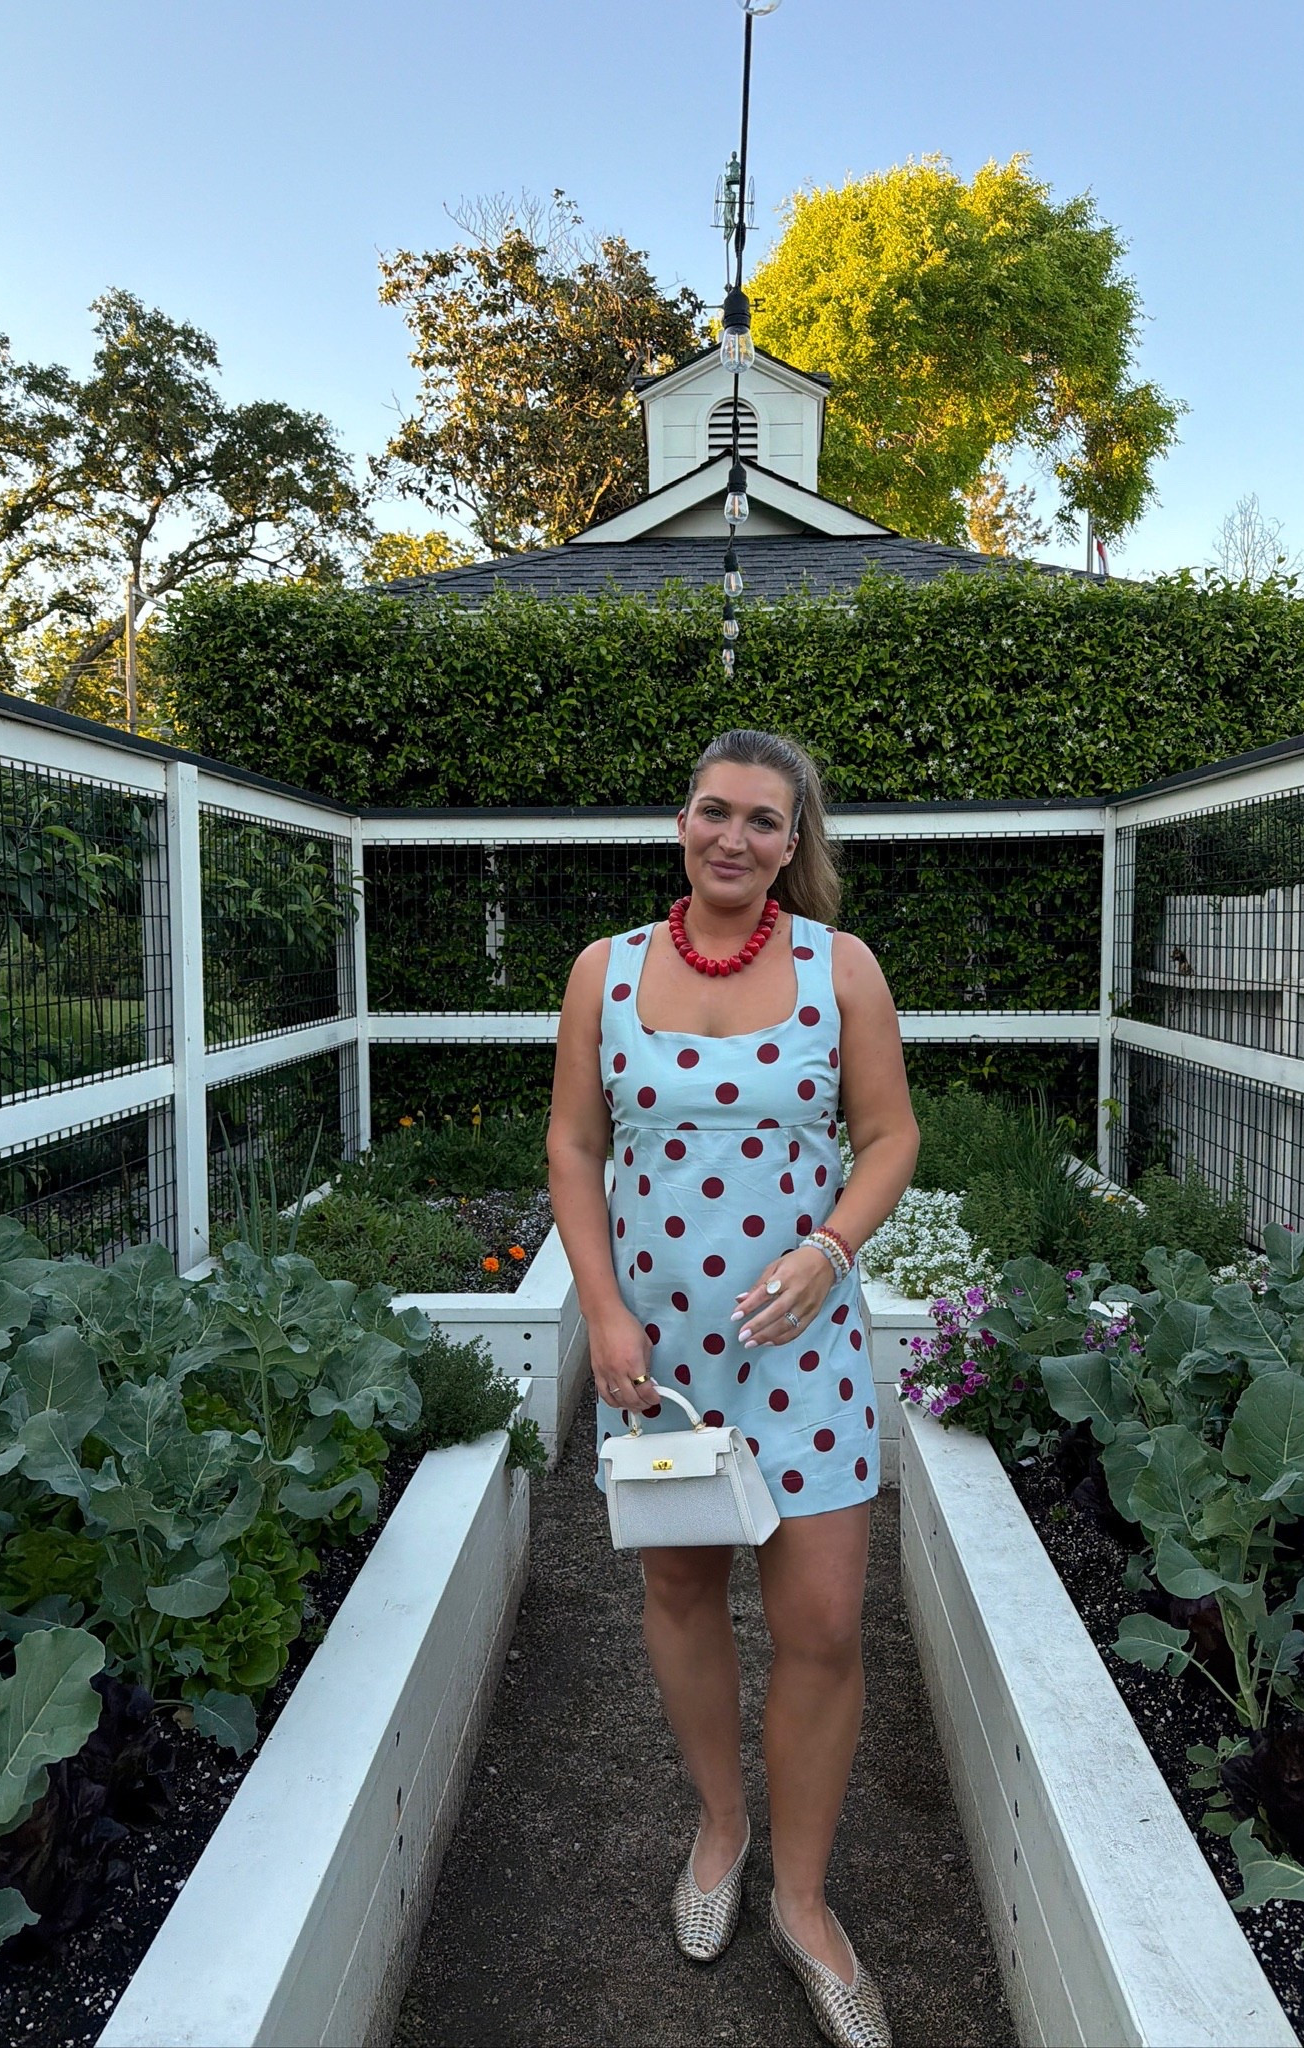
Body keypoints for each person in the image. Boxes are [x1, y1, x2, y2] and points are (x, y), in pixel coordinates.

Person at [547, 728, 919, 2048]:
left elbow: (890, 1135)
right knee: (680, 1591)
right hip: (661, 1366)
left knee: (823, 1627)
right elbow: (574, 1145)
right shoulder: (605, 971)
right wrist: (602, 1311)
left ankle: (803, 1904)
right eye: (716, 810)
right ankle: (720, 1829)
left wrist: (829, 1251)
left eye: (766, 820)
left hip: (803, 1356)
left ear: (792, 840)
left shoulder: (840, 967)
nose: (735, 837)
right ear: (682, 820)